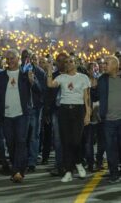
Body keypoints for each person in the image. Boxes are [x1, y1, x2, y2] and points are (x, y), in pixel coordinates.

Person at [0, 49, 41, 183]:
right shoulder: (1, 76)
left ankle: (18, 171)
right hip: (6, 116)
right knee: (10, 143)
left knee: (21, 141)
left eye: (12, 58)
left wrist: (32, 81)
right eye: (7, 59)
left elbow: (38, 90)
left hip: (22, 115)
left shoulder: (25, 75)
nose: (9, 61)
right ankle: (16, 167)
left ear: (19, 59)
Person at [47, 54, 90, 183]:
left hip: (78, 110)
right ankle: (68, 171)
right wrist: (49, 69)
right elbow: (50, 84)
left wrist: (87, 114)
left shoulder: (83, 78)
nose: (68, 63)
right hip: (64, 110)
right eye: (66, 62)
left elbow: (86, 98)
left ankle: (78, 162)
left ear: (76, 63)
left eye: (71, 61)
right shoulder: (62, 77)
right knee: (66, 142)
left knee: (76, 141)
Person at [96, 56, 121, 183]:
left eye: (107, 63)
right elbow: (95, 95)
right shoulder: (102, 79)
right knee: (110, 148)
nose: (104, 65)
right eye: (104, 63)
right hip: (108, 121)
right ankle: (114, 173)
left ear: (116, 66)